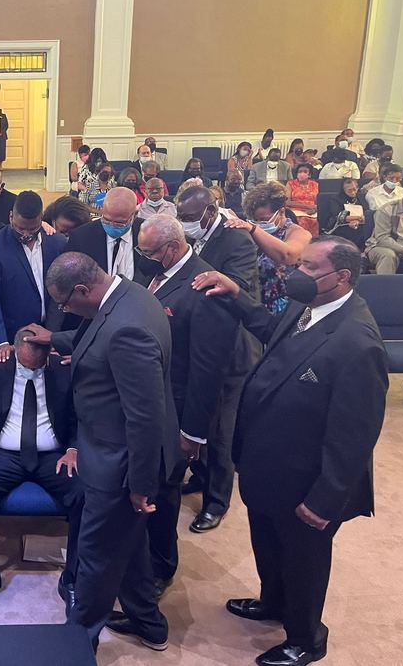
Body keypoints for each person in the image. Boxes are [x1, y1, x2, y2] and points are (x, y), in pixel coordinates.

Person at [193, 237, 387, 666]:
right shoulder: (307, 306)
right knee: (267, 541)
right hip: (269, 464)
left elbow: (355, 436)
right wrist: (236, 293)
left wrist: (325, 501)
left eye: (308, 268)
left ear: (341, 277)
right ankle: (273, 602)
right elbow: (269, 329)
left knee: (304, 561)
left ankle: (306, 638)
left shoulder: (357, 342)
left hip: (307, 482)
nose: (295, 274)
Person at [23, 252, 178, 650]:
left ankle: (76, 643)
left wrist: (140, 485)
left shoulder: (129, 331)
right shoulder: (130, 295)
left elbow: (145, 417)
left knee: (95, 556)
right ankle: (149, 623)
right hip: (110, 453)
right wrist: (53, 338)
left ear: (82, 290)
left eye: (64, 304)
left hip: (119, 464)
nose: (65, 311)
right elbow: (96, 334)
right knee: (129, 545)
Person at [131, 215, 239, 599]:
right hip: (151, 401)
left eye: (148, 251)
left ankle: (161, 568)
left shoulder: (206, 288)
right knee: (148, 483)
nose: (142, 257)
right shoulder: (157, 273)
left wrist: (192, 433)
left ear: (173, 247)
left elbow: (207, 371)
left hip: (177, 409)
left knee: (163, 490)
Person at [0, 329, 82, 621]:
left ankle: (72, 579)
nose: (33, 371)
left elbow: (79, 417)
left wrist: (73, 448)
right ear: (15, 352)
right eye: (26, 366)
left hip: (52, 455)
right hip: (3, 454)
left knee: (84, 493)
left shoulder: (63, 371)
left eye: (39, 366)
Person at [174, 184, 260, 531]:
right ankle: (200, 475)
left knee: (220, 431)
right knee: (195, 419)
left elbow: (234, 290)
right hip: (197, 347)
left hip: (231, 352)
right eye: (181, 217)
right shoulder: (193, 236)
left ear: (211, 212)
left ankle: (216, 501)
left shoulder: (237, 241)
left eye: (190, 217)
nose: (185, 223)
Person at [0, 191, 66, 361]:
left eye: (32, 229)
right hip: (12, 338)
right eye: (20, 228)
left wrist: (52, 335)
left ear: (41, 219)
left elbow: (61, 295)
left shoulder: (57, 243)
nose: (25, 234)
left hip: (51, 334)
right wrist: (1, 342)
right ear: (11, 217)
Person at [227, 182, 313, 316]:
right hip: (252, 305)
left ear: (281, 212)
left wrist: (253, 229)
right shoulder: (250, 232)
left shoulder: (299, 233)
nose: (259, 224)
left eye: (263, 219)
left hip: (285, 309)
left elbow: (288, 255)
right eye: (254, 220)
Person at [65, 187, 143, 281]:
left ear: (135, 215)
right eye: (106, 220)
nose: (112, 225)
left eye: (119, 222)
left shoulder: (147, 234)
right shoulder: (81, 237)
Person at [318, 178, 368, 250]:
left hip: (360, 223)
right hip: (342, 225)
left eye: (354, 189)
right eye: (349, 190)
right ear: (344, 190)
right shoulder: (336, 199)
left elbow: (367, 213)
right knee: (350, 231)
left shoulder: (360, 198)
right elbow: (338, 216)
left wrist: (358, 221)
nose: (353, 192)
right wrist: (357, 218)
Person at [287, 163, 321, 235]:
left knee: (316, 221)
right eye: (300, 172)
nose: (302, 174)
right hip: (296, 211)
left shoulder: (315, 184)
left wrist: (314, 209)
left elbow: (319, 201)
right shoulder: (290, 184)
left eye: (305, 172)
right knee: (303, 220)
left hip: (312, 211)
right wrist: (308, 206)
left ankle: (313, 241)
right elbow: (287, 202)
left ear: (309, 175)